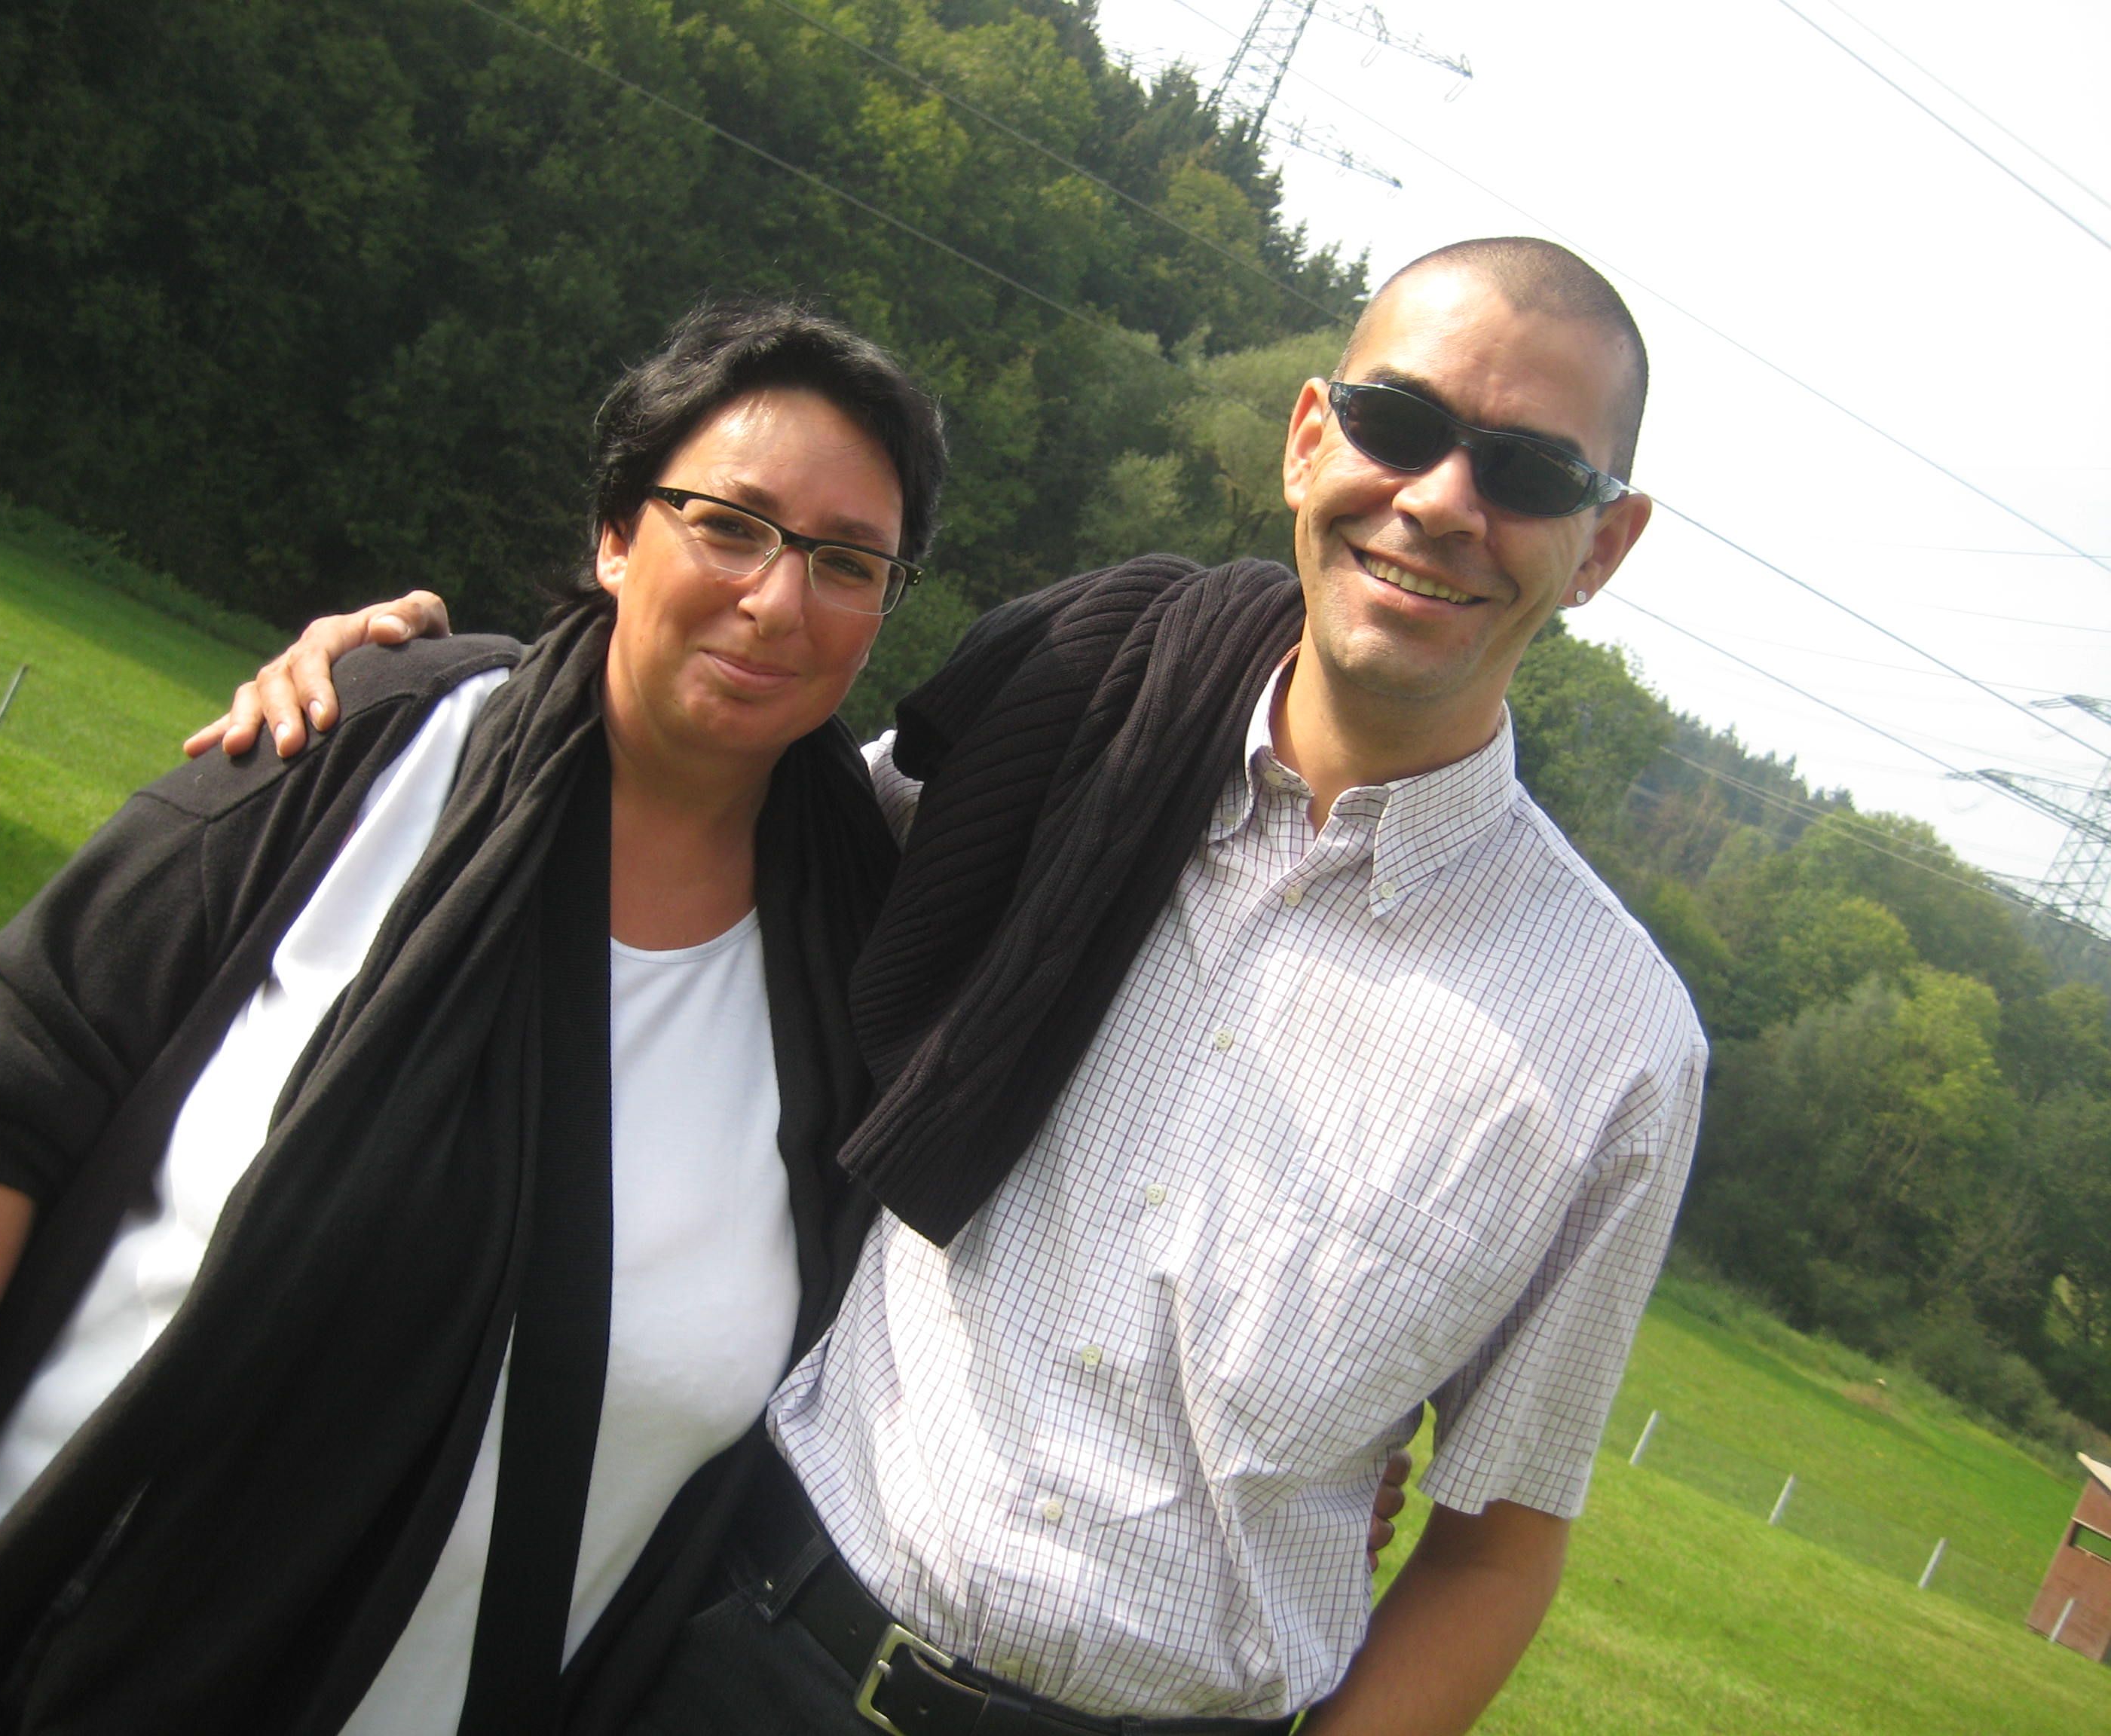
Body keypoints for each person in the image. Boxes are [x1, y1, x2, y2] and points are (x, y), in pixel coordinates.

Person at [192, 236, 1706, 1735]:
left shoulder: (1619, 1048)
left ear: (1606, 544)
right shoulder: (1061, 730)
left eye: (1530, 470)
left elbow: (1499, 1544)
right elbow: (699, 797)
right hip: (738, 1648)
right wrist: (432, 694)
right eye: (1401, 422)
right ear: (1312, 438)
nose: (1442, 500)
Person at [0, 302, 950, 1735]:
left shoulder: (866, 961)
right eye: (729, 525)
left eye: (847, 561)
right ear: (615, 532)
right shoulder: (362, 747)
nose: (778, 599)